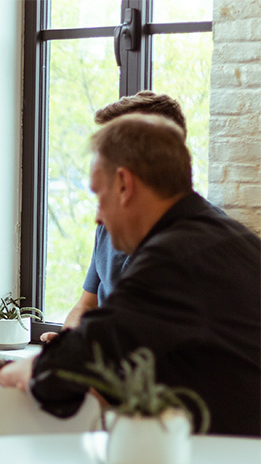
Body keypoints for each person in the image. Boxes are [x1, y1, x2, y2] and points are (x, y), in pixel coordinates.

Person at [0, 114, 261, 437]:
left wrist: (4, 374)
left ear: (124, 185)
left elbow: (87, 354)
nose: (98, 217)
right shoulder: (233, 240)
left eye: (99, 196)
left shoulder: (173, 258)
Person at [41, 91, 188, 342]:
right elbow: (86, 305)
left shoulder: (192, 247)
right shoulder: (110, 224)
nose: (98, 217)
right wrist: (68, 345)